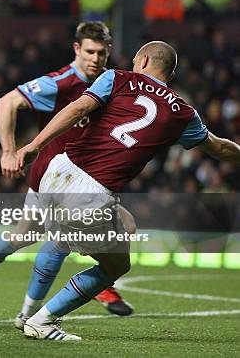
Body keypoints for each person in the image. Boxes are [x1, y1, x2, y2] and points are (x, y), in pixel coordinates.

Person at [15, 41, 240, 340]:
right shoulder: (182, 114)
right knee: (117, 265)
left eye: (135, 60)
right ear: (169, 75)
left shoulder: (116, 78)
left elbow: (79, 107)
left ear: (144, 60)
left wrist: (34, 145)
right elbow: (222, 148)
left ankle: (27, 311)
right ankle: (41, 320)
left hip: (57, 171)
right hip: (90, 193)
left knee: (118, 226)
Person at [0, 22, 133, 327]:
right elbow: (7, 102)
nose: (95, 58)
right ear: (76, 49)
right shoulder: (62, 81)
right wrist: (8, 150)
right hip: (57, 173)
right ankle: (35, 312)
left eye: (101, 52)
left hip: (76, 175)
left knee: (25, 234)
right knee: (71, 236)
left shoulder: (108, 81)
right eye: (89, 51)